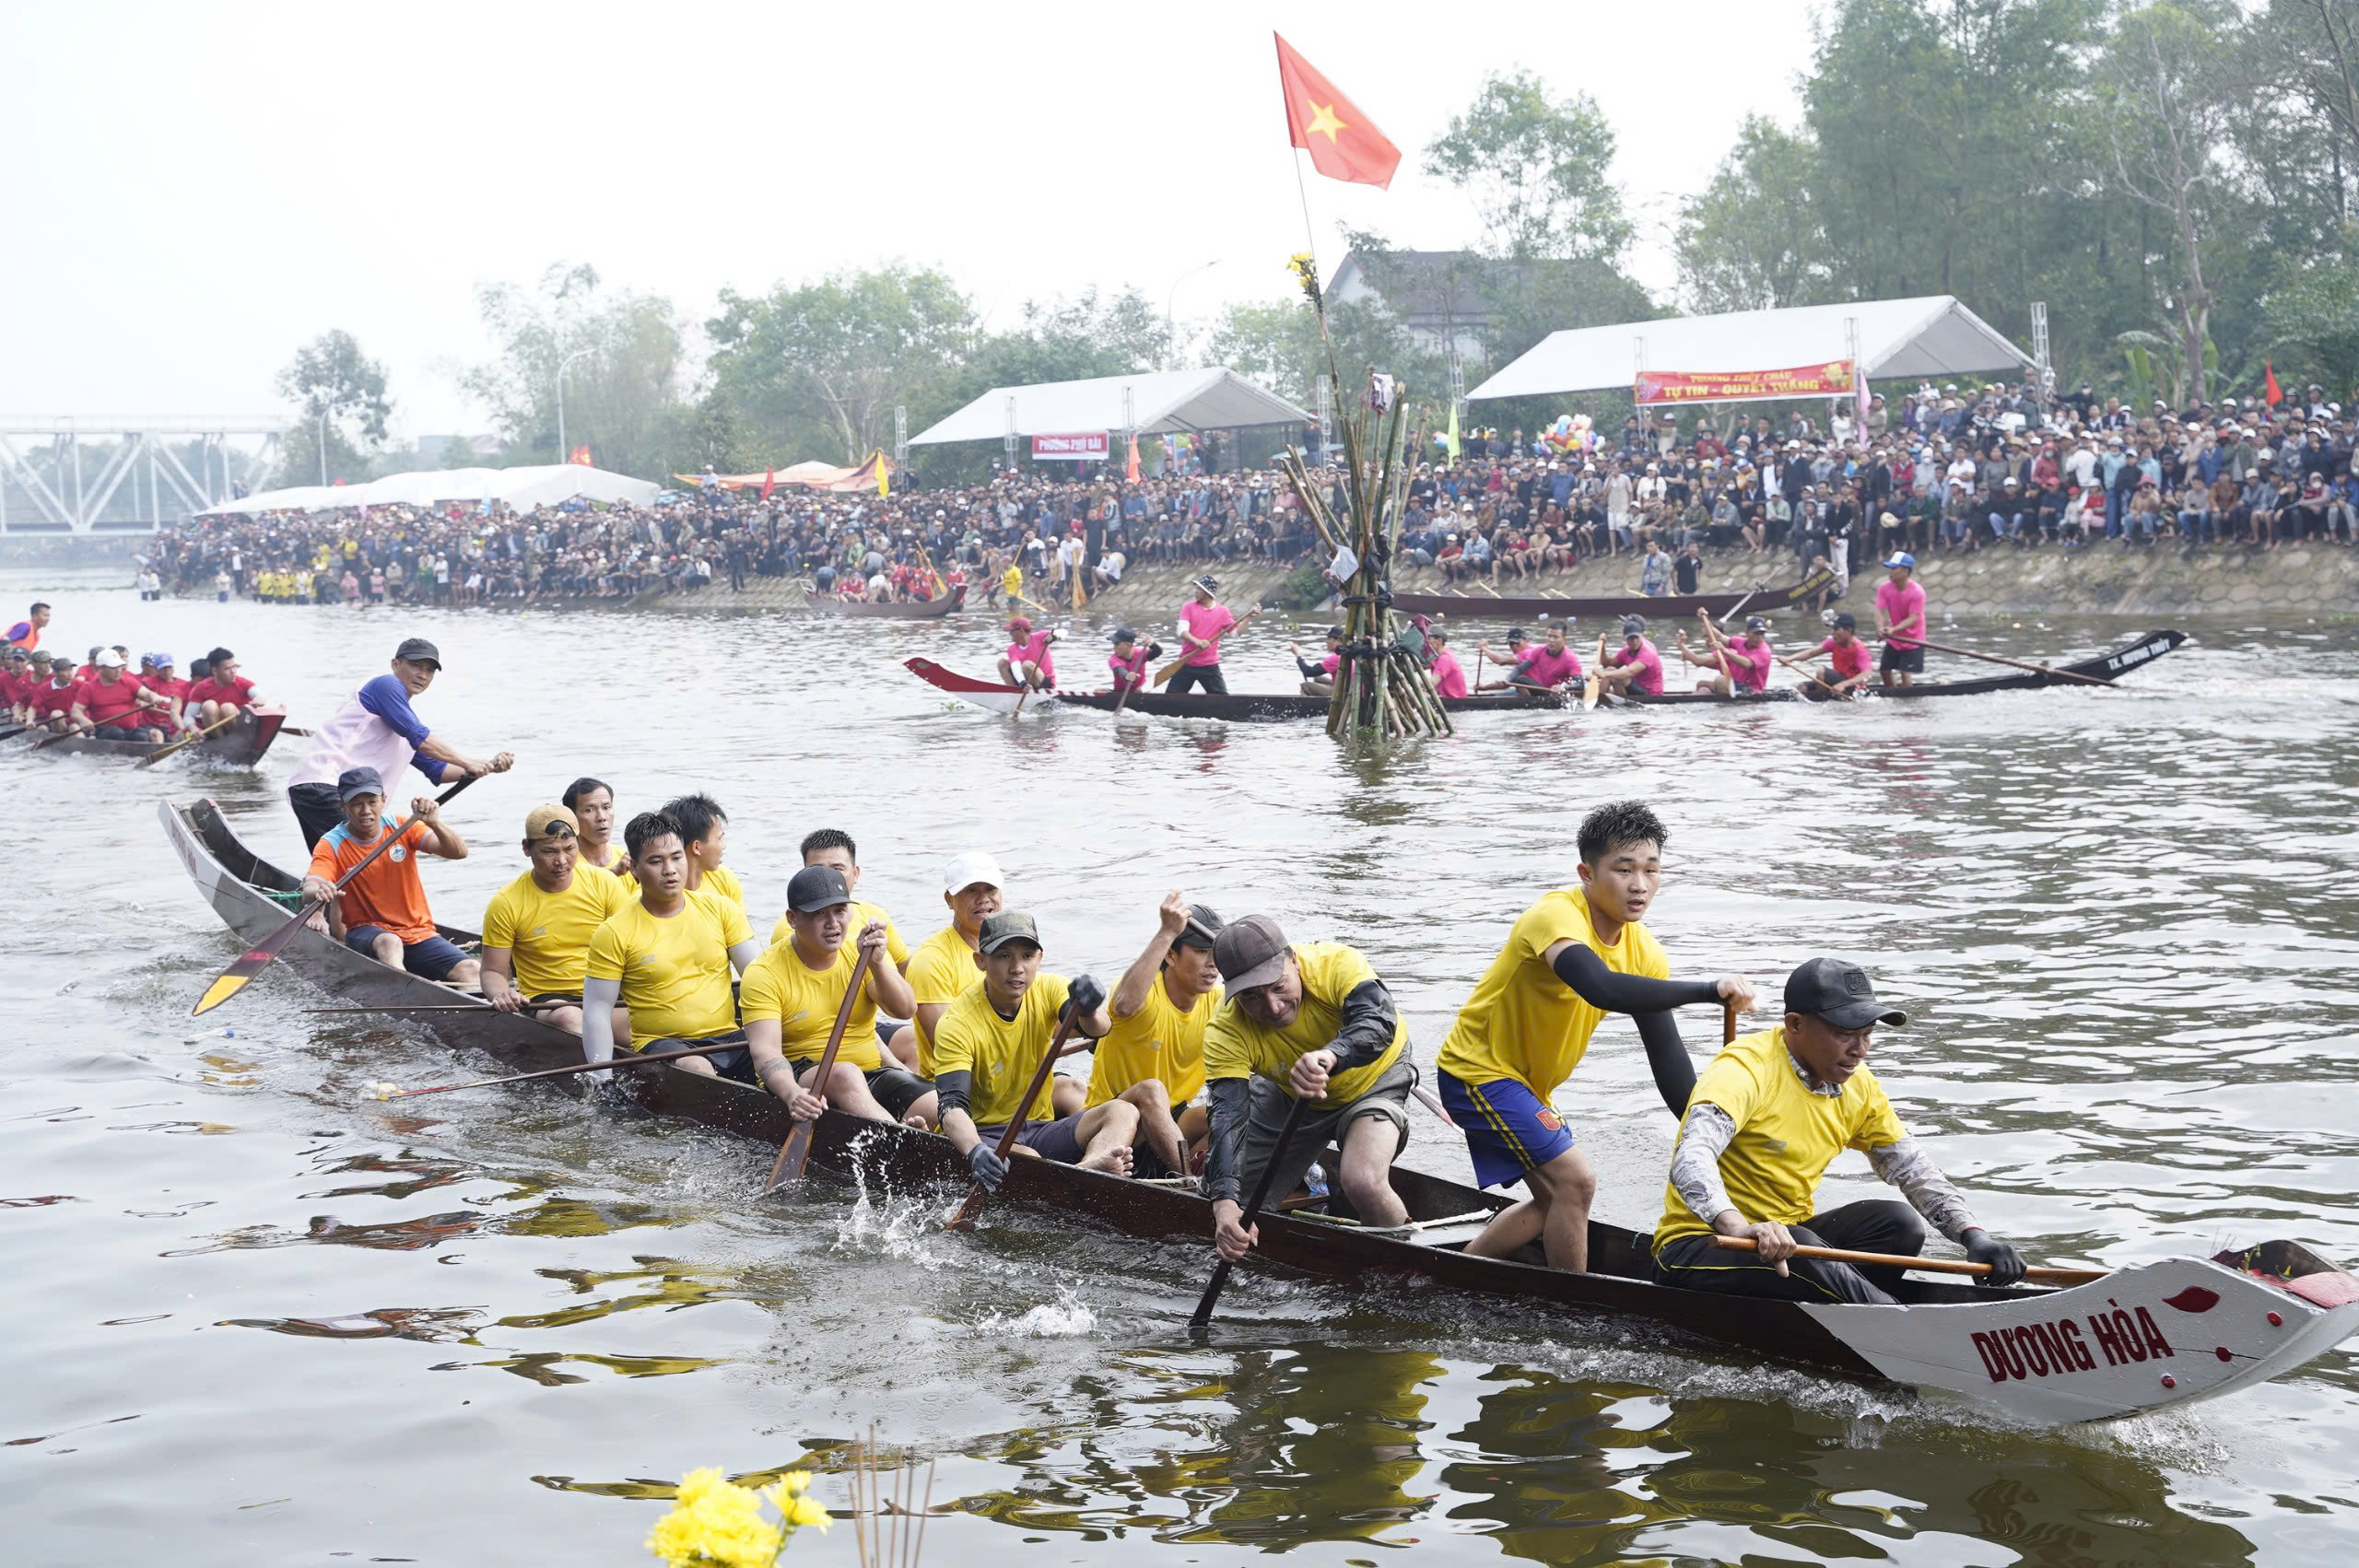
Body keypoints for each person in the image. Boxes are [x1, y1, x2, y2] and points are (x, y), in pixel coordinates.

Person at [1436, 802, 1755, 1272]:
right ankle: (1576, 1305)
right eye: (1623, 869)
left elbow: (1668, 1062)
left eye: (1651, 870)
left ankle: (1458, 1272)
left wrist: (1712, 1128)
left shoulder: (1645, 953)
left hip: (1528, 1087)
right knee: (1577, 1183)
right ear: (1587, 873)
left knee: (1552, 1202)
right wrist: (1709, 990)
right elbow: (1599, 987)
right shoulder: (1554, 916)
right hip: (1476, 1074)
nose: (1639, 884)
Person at [1652, 957, 2025, 1303]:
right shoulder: (1745, 1071)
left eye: (1867, 1034)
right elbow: (1691, 1158)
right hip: (1704, 1244)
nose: (1859, 1050)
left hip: (1786, 1240)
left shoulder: (1856, 1086)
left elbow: (1913, 1169)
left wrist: (1974, 1236)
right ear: (1795, 1024)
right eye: (1845, 1034)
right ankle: (1893, 1322)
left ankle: (1852, 1314)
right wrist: (1737, 1227)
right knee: (1799, 1245)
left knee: (1899, 1224)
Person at [1203, 915, 1414, 1264]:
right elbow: (1227, 1118)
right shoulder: (1224, 1032)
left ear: (1294, 961)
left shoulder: (1336, 964)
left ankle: (1407, 1271)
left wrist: (1331, 1056)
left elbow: (1378, 1024)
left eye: (1278, 986)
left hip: (1374, 1077)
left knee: (1362, 1181)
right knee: (1228, 1200)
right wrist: (1224, 1204)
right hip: (1290, 1092)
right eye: (1252, 997)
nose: (1272, 1007)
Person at [935, 911, 1135, 1185]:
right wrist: (975, 1150)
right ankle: (1077, 1181)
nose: (1017, 968)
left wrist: (1089, 1008)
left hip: (1040, 1127)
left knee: (1123, 1110)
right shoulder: (957, 1022)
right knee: (1030, 1157)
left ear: (1039, 959)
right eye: (1004, 956)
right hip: (986, 1135)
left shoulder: (1050, 988)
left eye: (1027, 956)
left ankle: (1089, 1171)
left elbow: (1099, 1028)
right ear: (980, 961)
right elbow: (951, 1108)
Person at [741, 864, 933, 1127]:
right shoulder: (763, 973)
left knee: (937, 1108)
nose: (833, 924)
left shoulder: (861, 953)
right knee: (845, 1073)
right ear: (792, 919)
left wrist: (877, 966)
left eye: (840, 911)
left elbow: (905, 1010)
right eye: (819, 913)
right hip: (804, 1078)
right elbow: (765, 1052)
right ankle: (900, 1135)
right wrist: (793, 1094)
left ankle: (912, 1133)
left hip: (872, 1073)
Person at [581, 810, 763, 1082]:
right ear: (634, 869)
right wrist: (602, 1081)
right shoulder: (614, 932)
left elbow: (760, 978)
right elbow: (596, 1010)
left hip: (729, 1039)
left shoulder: (722, 910)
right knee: (698, 1069)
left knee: (777, 1059)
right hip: (664, 1046)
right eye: (656, 861)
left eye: (676, 858)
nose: (670, 870)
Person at [286, 638, 513, 849]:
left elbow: (440, 771)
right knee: (365, 863)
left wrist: (489, 766)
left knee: (339, 870)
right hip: (328, 788)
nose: (423, 675)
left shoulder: (403, 724)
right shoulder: (385, 685)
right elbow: (421, 737)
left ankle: (318, 889)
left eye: (429, 670)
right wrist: (468, 762)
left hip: (331, 794)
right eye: (416, 665)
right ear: (395, 664)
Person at [302, 766, 479, 985]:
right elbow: (311, 885)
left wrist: (435, 823)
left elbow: (458, 852)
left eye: (372, 802)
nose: (366, 810)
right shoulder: (332, 843)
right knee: (390, 942)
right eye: (357, 804)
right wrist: (318, 891)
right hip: (365, 932)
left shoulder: (403, 827)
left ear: (383, 800)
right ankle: (406, 990)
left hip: (418, 931)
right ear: (342, 806)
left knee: (472, 969)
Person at [1086, 893, 1221, 1177]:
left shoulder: (1218, 1001)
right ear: (1171, 954)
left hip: (1170, 1122)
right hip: (1117, 1123)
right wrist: (1167, 931)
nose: (1212, 963)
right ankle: (1190, 1184)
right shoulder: (1144, 995)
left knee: (1230, 1112)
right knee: (1151, 1089)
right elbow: (1123, 1004)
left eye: (1215, 952)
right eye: (1200, 951)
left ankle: (1214, 1176)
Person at [480, 803, 632, 1033]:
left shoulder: (606, 883)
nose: (561, 861)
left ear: (578, 844)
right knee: (570, 1017)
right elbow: (493, 971)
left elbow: (633, 946)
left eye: (569, 849)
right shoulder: (506, 902)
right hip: (550, 1001)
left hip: (605, 992)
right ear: (526, 848)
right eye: (550, 852)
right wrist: (502, 994)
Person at [1172, 575, 1249, 697]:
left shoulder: (1223, 611)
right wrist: (1197, 641)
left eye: (1199, 589)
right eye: (1196, 589)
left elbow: (1235, 635)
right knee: (1171, 698)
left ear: (1207, 593)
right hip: (1186, 662)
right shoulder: (1188, 607)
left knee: (1222, 700)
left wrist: (1248, 618)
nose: (1195, 592)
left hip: (1209, 665)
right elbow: (1182, 631)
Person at [69, 648, 170, 740]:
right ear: (101, 669)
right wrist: (82, 720)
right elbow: (76, 711)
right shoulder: (88, 688)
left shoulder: (129, 682)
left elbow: (147, 694)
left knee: (141, 736)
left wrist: (154, 697)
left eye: (120, 666)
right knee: (116, 733)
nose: (118, 671)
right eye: (113, 667)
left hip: (130, 730)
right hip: (104, 731)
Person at [662, 792, 743, 907]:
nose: (723, 845)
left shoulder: (725, 879)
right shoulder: (658, 893)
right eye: (719, 838)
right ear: (696, 847)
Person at [1679, 613, 1775, 696]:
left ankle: (1726, 708)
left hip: (1751, 691)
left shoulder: (1764, 651)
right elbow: (1719, 636)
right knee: (1702, 684)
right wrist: (1705, 620)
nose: (1759, 637)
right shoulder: (1740, 642)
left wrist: (1724, 651)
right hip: (1736, 685)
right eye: (1756, 633)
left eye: (1762, 634)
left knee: (1720, 681)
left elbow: (1747, 663)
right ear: (1747, 633)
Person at [1874, 553, 1927, 690]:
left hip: (1914, 639)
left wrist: (1893, 629)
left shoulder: (1917, 592)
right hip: (1895, 638)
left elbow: (1913, 618)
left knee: (1905, 673)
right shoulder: (1884, 588)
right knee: (1884, 670)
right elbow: (1880, 610)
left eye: (1894, 569)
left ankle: (1907, 700)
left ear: (1905, 571)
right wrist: (1881, 628)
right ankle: (1892, 695)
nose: (1890, 572)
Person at [563, 777, 628, 875]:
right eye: (589, 810)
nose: (601, 817)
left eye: (606, 807)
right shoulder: (564, 864)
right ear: (571, 817)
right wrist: (615, 872)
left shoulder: (625, 858)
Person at [186, 647, 262, 730]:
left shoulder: (242, 683)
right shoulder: (201, 688)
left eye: (234, 667)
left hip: (241, 729)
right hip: (218, 732)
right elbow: (188, 716)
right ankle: (221, 739)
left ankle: (233, 738)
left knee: (227, 708)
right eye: (227, 669)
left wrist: (258, 700)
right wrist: (192, 728)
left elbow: (260, 695)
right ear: (215, 671)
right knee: (209, 706)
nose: (233, 672)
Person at [1593, 615, 1665, 697]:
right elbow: (1607, 664)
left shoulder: (1648, 652)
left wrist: (1604, 674)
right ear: (1625, 639)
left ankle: (1600, 700)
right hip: (1636, 687)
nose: (1635, 642)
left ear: (1641, 636)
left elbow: (1629, 672)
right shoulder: (1626, 650)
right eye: (1631, 638)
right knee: (1610, 670)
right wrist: (1602, 647)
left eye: (1636, 637)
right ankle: (1598, 699)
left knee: (1616, 676)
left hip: (1651, 694)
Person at [1810, 612, 1874, 696]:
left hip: (1852, 686)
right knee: (1801, 687)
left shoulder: (1860, 649)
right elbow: (1810, 653)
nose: (1833, 633)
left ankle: (1820, 698)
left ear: (1849, 630)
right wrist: (1789, 659)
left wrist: (1844, 684)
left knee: (1821, 671)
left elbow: (1867, 675)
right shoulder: (1833, 642)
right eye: (1833, 629)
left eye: (1837, 629)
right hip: (1837, 681)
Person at [999, 615, 1056, 691]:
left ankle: (1033, 690)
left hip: (1044, 683)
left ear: (1021, 631)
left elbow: (1062, 632)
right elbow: (1015, 667)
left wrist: (1053, 637)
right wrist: (1022, 683)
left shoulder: (1040, 636)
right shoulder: (1012, 649)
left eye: (1012, 631)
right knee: (1002, 663)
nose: (1010, 633)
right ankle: (1014, 692)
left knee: (1027, 665)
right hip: (1026, 683)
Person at [1107, 627, 1161, 696]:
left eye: (1117, 644)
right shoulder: (1113, 659)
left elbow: (1157, 652)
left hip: (1141, 691)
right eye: (1114, 644)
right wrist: (1127, 676)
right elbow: (1119, 670)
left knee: (1140, 690)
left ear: (1129, 645)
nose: (1114, 648)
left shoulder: (1141, 653)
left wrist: (1152, 644)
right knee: (1098, 691)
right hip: (1120, 693)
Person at [1426, 626, 1470, 699]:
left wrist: (1413, 683)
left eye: (1429, 639)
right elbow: (1421, 665)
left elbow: (1433, 682)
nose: (1427, 642)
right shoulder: (1438, 656)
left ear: (1439, 641)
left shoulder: (1445, 658)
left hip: (1454, 699)